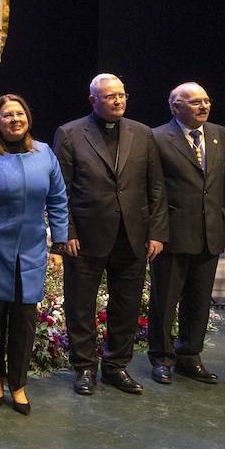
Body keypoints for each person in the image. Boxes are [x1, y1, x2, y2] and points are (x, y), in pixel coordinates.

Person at [52, 73, 167, 397]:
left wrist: (157, 232)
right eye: (110, 96)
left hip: (132, 235)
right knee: (80, 305)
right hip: (85, 236)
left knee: (127, 305)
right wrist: (66, 232)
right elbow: (60, 190)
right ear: (93, 100)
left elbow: (156, 187)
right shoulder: (71, 133)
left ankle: (117, 366)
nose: (118, 101)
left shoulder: (143, 134)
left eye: (122, 95)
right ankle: (85, 367)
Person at [0, 94, 68, 415]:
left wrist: (58, 246)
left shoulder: (45, 154)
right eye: (7, 115)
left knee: (24, 322)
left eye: (19, 114)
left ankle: (18, 384)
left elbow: (59, 201)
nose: (14, 120)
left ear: (28, 119)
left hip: (32, 252)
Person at [148, 83, 225, 386]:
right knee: (165, 300)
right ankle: (162, 358)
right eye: (195, 102)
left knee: (199, 300)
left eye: (207, 100)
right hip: (171, 233)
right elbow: (152, 189)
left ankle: (190, 356)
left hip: (209, 232)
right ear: (175, 107)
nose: (204, 106)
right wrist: (154, 232)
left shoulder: (221, 135)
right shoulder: (156, 137)